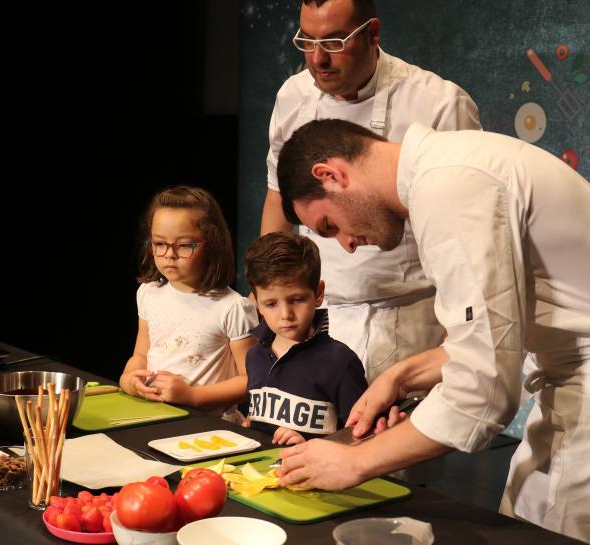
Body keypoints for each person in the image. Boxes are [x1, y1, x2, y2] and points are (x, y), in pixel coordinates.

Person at [273, 119, 590, 545]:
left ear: (330, 175)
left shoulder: (448, 188)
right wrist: (400, 377)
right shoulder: (451, 167)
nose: (346, 244)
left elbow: (482, 395)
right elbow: (494, 336)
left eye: (330, 225)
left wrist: (353, 462)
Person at [261, 0, 481, 381]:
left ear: (372, 34)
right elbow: (278, 203)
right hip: (314, 315)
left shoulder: (438, 104)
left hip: (409, 318)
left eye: (333, 42)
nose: (317, 59)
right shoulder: (292, 97)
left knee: (390, 434)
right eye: (307, 42)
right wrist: (270, 307)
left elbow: (467, 236)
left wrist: (456, 340)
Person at [119, 186, 258, 421]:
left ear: (211, 244)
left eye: (184, 245)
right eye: (159, 243)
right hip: (153, 417)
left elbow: (250, 381)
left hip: (208, 427)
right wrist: (129, 380)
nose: (169, 254)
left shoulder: (233, 307)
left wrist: (192, 395)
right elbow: (141, 356)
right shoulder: (148, 293)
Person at [243, 231, 368, 445]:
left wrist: (309, 446)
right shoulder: (254, 356)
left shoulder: (340, 362)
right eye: (271, 304)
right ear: (256, 302)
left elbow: (362, 436)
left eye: (297, 299)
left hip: (320, 474)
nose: (285, 315)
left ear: (318, 293)